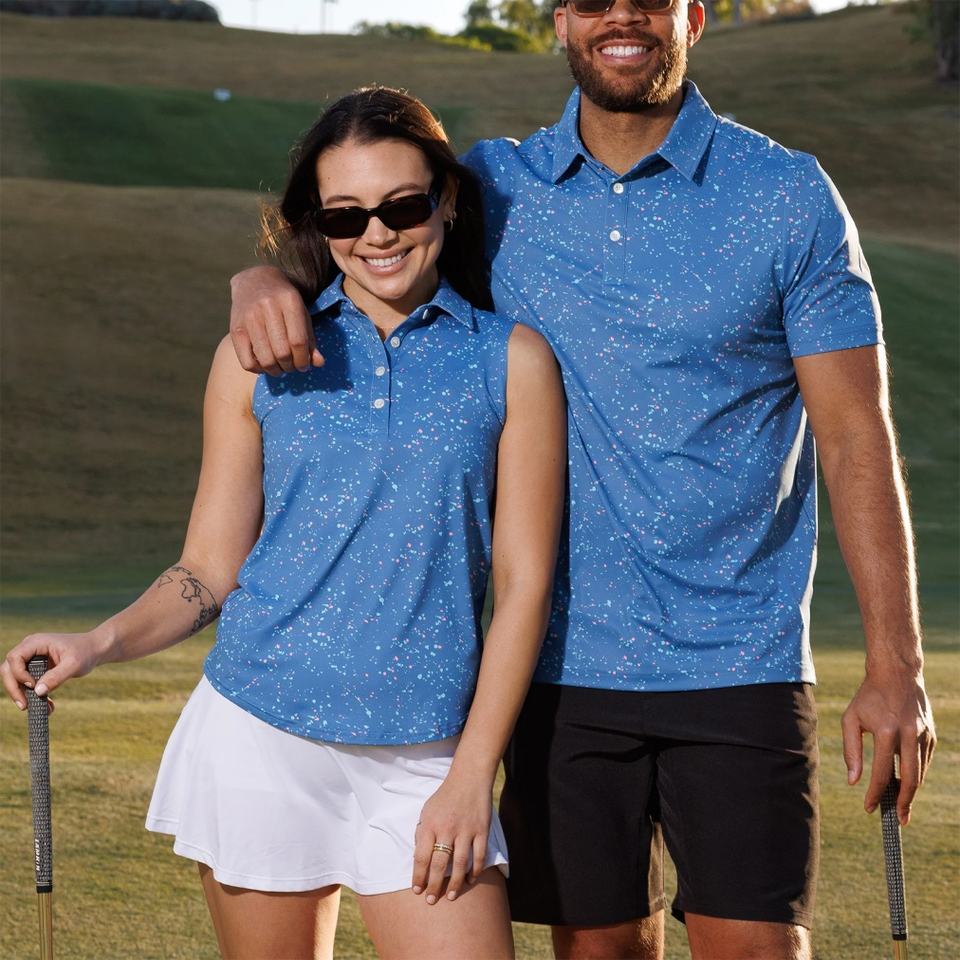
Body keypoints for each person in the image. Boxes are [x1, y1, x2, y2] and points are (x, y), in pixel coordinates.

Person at [227, 3, 938, 960]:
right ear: (562, 21)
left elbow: (855, 437)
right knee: (598, 951)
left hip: (739, 659)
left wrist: (896, 667)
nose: (621, 16)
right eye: (592, 0)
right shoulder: (493, 187)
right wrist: (265, 281)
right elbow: (372, 238)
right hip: (560, 673)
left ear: (692, 16)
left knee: (756, 948)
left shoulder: (785, 194)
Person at [1, 87, 567, 960]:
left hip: (426, 758)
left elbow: (524, 587)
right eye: (345, 216)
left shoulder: (511, 359)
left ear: (447, 200)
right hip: (260, 736)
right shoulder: (254, 357)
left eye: (402, 207)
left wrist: (470, 775)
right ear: (317, 223)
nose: (377, 235)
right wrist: (97, 642)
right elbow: (207, 570)